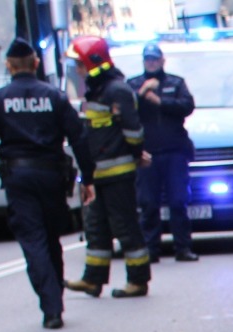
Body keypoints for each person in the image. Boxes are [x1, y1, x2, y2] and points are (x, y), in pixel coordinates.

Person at [0, 37, 96, 328]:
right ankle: (55, 297)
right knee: (51, 239)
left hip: (18, 179)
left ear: (9, 66)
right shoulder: (54, 96)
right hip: (52, 177)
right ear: (36, 64)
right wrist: (87, 177)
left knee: (33, 240)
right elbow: (78, 137)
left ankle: (51, 305)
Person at [61, 36, 150, 300]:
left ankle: (138, 280)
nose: (78, 70)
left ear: (94, 63)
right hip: (99, 173)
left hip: (117, 173)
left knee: (125, 226)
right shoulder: (98, 90)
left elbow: (133, 131)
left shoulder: (117, 90)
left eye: (80, 64)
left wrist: (135, 154)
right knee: (96, 227)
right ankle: (93, 279)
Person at [134, 41, 198, 263]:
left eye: (155, 59)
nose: (151, 63)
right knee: (148, 204)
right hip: (147, 154)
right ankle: (151, 250)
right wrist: (143, 94)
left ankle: (183, 248)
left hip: (174, 151)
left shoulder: (175, 82)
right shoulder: (134, 84)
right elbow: (126, 110)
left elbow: (187, 106)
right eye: (147, 59)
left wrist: (160, 101)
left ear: (162, 60)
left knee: (178, 201)